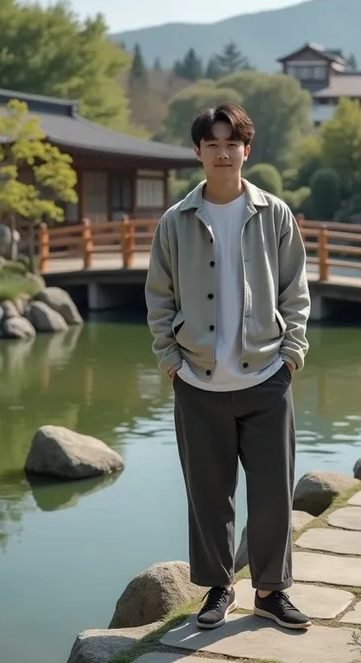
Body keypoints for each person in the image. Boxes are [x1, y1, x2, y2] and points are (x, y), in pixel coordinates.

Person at [145, 102, 311, 631]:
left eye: (231, 143)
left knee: (272, 494)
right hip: (197, 381)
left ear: (247, 150)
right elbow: (158, 299)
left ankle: (270, 591)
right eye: (211, 144)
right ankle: (219, 590)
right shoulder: (175, 221)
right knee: (208, 496)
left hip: (266, 376)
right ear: (198, 152)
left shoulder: (275, 214)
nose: (222, 153)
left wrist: (292, 354)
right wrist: (171, 362)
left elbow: (296, 291)